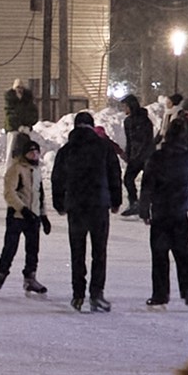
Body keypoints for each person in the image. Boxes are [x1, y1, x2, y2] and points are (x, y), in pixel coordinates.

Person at [51, 110, 123, 312]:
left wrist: (59, 203)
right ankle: (96, 293)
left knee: (77, 251)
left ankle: (78, 294)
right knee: (99, 252)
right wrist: (116, 200)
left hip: (76, 206)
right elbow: (114, 174)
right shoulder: (104, 147)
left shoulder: (66, 150)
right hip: (99, 204)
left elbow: (57, 178)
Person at [138, 116, 188, 308]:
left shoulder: (156, 158)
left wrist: (144, 210)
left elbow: (147, 186)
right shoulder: (186, 157)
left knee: (159, 256)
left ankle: (160, 294)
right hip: (180, 212)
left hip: (160, 212)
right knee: (183, 254)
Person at [0, 138, 51, 297]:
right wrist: (23, 209)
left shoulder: (36, 170)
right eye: (30, 152)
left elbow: (40, 194)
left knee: (33, 250)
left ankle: (30, 278)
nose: (34, 155)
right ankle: (0, 277)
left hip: (33, 217)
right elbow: (9, 193)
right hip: (17, 216)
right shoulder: (16, 169)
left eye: (36, 152)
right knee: (10, 248)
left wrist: (43, 215)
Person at [120, 94, 155, 216]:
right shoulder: (128, 121)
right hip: (135, 156)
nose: (124, 109)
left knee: (146, 182)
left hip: (145, 155)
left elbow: (146, 140)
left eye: (126, 106)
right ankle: (134, 203)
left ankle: (143, 205)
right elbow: (129, 140)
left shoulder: (144, 120)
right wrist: (128, 154)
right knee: (128, 179)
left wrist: (138, 154)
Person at [3, 78, 39, 158]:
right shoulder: (10, 100)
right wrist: (19, 126)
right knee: (11, 150)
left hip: (25, 130)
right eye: (17, 87)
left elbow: (33, 114)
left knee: (25, 151)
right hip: (13, 129)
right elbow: (10, 116)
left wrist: (28, 126)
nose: (19, 90)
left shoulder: (27, 100)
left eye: (21, 88)